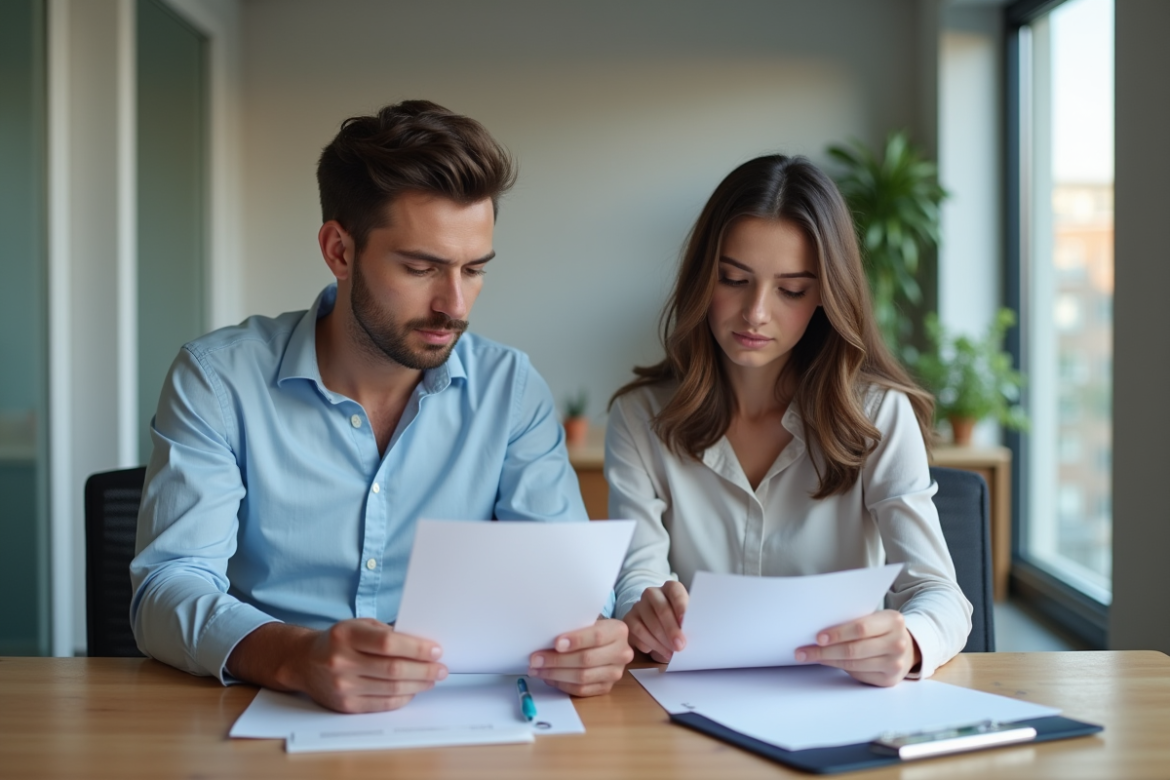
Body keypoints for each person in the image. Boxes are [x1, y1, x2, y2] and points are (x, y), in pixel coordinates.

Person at [130, 100, 632, 713]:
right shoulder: (218, 380)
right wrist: (296, 657)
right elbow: (165, 589)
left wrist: (589, 640)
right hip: (271, 712)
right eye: (422, 267)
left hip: (466, 719)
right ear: (339, 251)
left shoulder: (511, 388)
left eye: (474, 269)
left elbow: (569, 595)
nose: (455, 304)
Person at [607, 155, 971, 685]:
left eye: (791, 290)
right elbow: (638, 576)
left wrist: (911, 641)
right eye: (734, 279)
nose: (755, 312)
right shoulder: (640, 416)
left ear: (825, 295)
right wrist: (646, 611)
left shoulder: (877, 416)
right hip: (689, 712)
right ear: (703, 278)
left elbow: (940, 594)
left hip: (836, 707)